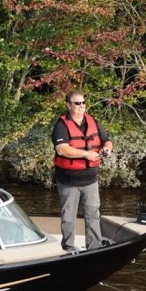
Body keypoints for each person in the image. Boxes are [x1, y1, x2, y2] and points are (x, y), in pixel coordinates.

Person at [51, 89, 113, 251]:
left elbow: (107, 140)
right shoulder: (61, 125)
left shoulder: (93, 122)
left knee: (93, 215)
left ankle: (94, 248)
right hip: (68, 181)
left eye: (83, 103)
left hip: (90, 180)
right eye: (77, 103)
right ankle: (69, 248)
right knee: (68, 217)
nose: (81, 106)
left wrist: (107, 148)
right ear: (68, 105)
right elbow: (62, 149)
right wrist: (86, 154)